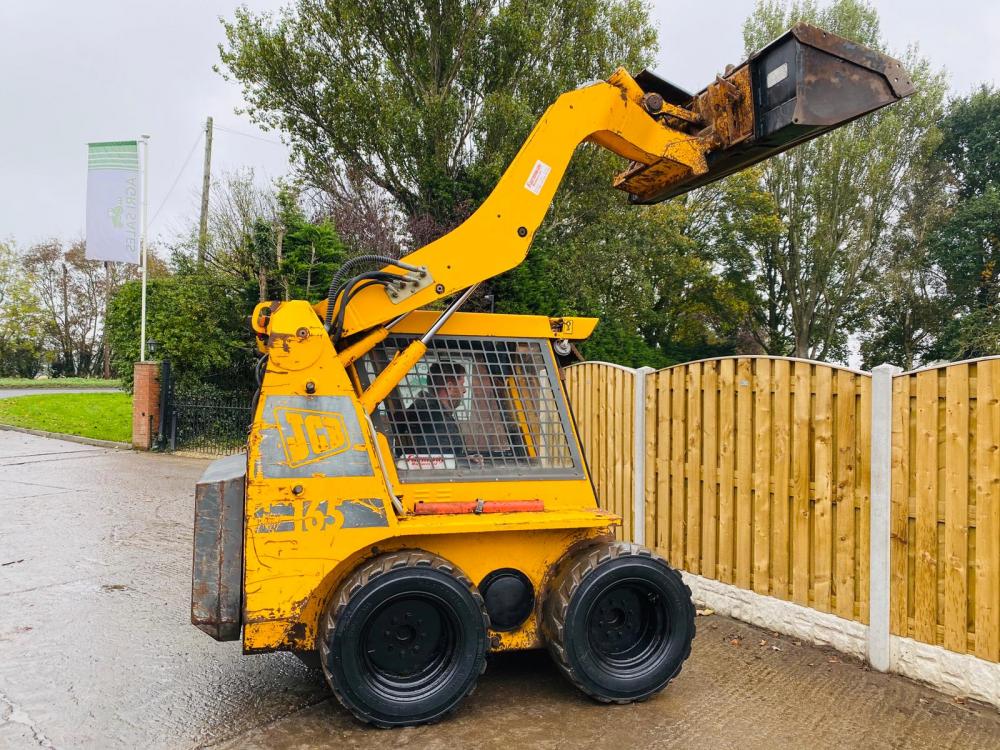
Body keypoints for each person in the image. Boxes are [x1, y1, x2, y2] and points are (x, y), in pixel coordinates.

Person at [399, 361, 482, 465]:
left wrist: (465, 459)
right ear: (449, 387)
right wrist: (462, 462)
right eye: (462, 384)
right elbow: (439, 462)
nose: (464, 390)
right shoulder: (434, 418)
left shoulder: (426, 410)